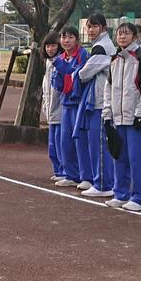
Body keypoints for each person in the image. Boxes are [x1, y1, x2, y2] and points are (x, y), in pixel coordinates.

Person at [103, 22, 141, 212]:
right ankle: (120, 194)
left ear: (135, 36)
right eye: (119, 33)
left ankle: (139, 197)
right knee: (119, 157)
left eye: (126, 33)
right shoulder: (115, 60)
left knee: (138, 160)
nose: (122, 36)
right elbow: (109, 89)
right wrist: (107, 114)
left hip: (137, 120)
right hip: (119, 118)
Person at [75, 14, 116, 198]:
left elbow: (83, 74)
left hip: (100, 101)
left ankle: (103, 184)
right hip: (101, 100)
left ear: (103, 28)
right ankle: (103, 181)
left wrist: (78, 72)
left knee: (98, 143)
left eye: (94, 26)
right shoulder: (102, 45)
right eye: (88, 27)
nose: (90, 30)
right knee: (98, 143)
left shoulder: (102, 47)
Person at [52, 26, 91, 189]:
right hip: (66, 103)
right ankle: (71, 174)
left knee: (80, 141)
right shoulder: (61, 58)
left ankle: (86, 176)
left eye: (70, 37)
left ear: (77, 39)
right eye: (63, 37)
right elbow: (59, 83)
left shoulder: (83, 55)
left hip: (79, 103)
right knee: (65, 140)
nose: (66, 41)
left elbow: (75, 76)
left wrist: (61, 66)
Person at [42, 31, 64, 181]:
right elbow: (46, 89)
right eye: (47, 46)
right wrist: (45, 106)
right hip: (51, 110)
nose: (50, 49)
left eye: (53, 46)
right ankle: (58, 171)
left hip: (60, 109)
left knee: (60, 143)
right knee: (52, 146)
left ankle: (64, 171)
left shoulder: (61, 62)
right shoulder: (48, 63)